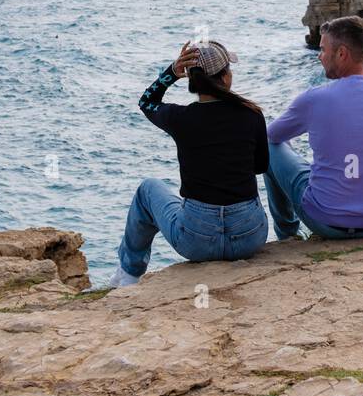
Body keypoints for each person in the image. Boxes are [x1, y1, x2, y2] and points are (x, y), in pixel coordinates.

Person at [108, 39, 269, 286]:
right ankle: (289, 231)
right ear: (225, 78)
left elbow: (147, 102)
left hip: (196, 242)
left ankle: (129, 274)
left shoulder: (181, 118)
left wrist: (172, 73)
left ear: (194, 82)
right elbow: (260, 167)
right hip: (248, 238)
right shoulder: (251, 114)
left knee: (147, 189)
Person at [263, 14, 363, 241]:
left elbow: (270, 136)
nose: (319, 57)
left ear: (341, 54)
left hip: (327, 221)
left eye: (322, 50)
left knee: (270, 148)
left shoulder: (314, 99)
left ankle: (288, 235)